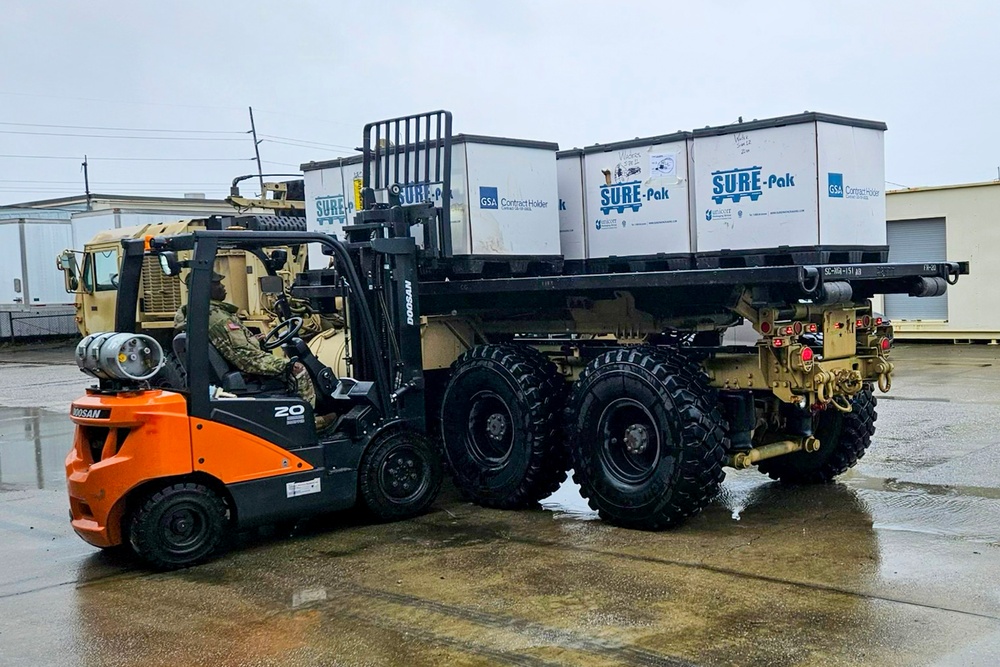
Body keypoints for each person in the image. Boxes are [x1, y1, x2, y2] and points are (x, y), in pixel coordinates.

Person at [174, 271, 331, 428]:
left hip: (233, 367)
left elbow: (230, 344)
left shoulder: (199, 313)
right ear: (206, 288)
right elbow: (244, 357)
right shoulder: (217, 318)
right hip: (244, 369)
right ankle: (307, 422)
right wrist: (281, 363)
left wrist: (254, 340)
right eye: (217, 284)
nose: (223, 286)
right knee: (297, 369)